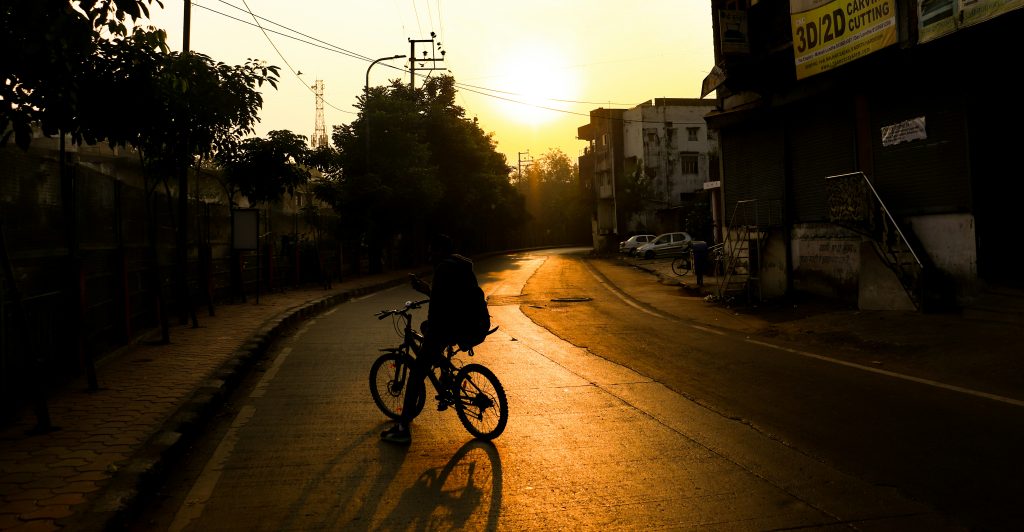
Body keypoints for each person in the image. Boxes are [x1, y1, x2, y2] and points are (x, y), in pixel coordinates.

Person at [380, 233, 477, 444]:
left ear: (440, 250)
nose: (430, 254)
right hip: (468, 323)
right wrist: (427, 290)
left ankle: (403, 429)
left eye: (432, 250)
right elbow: (449, 298)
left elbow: (438, 307)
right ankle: (445, 374)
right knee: (428, 333)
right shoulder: (462, 265)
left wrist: (432, 326)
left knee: (416, 374)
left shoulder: (443, 268)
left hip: (447, 326)